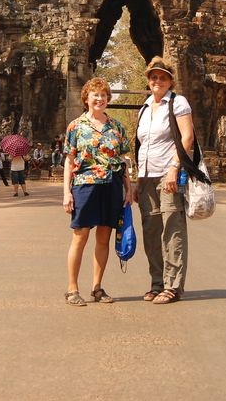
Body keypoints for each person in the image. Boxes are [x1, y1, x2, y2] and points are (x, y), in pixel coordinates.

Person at [62, 77, 132, 306]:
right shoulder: (76, 126)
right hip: (84, 184)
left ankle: (97, 287)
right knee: (80, 236)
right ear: (86, 98)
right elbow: (69, 161)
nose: (100, 99)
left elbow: (123, 161)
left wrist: (128, 189)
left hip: (112, 185)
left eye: (104, 95)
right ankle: (72, 289)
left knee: (104, 236)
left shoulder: (116, 127)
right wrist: (66, 193)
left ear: (108, 99)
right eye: (95, 95)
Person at [134, 56, 194, 305]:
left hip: (168, 175)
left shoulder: (178, 103)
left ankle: (173, 286)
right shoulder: (145, 107)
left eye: (162, 77)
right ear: (148, 81)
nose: (157, 81)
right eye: (153, 77)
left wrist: (174, 168)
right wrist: (137, 180)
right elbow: (142, 145)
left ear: (170, 81)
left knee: (172, 229)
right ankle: (156, 283)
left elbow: (187, 137)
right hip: (146, 177)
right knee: (151, 231)